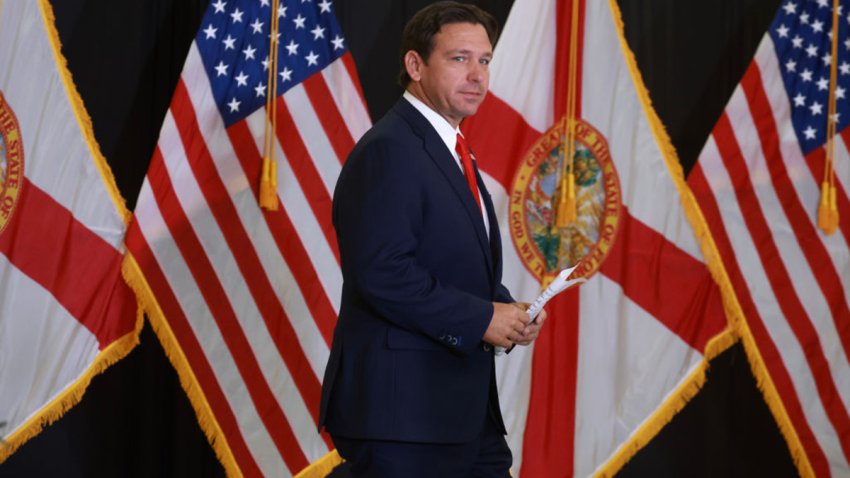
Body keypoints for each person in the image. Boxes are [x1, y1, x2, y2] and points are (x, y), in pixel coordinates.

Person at [319, 2, 547, 476]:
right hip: (405, 417)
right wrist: (481, 317)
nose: (477, 75)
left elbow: (448, 262)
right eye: (459, 59)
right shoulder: (390, 150)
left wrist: (505, 311)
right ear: (415, 65)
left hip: (460, 413)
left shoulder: (451, 148)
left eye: (484, 61)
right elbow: (382, 272)